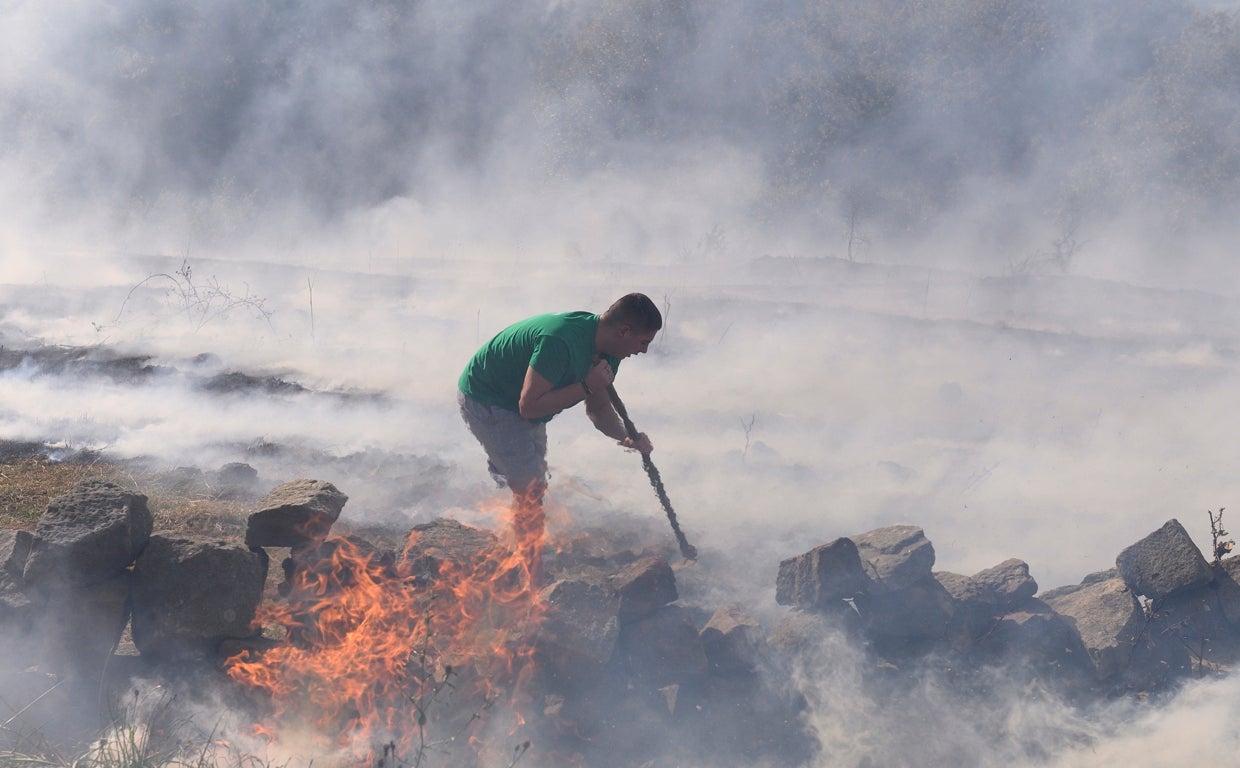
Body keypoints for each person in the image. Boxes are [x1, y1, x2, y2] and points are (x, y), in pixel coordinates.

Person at [457, 293, 662, 583]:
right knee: (530, 489)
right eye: (643, 343)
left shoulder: (608, 354)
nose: (643, 351)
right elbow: (528, 407)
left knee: (530, 478)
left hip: (525, 405)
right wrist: (587, 385)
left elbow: (600, 410)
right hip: (489, 399)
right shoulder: (561, 342)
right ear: (624, 331)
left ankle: (525, 548)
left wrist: (627, 437)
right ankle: (533, 585)